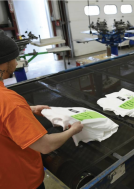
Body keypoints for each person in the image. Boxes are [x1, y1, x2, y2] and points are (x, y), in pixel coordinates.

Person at [0, 30, 84, 189]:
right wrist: (73, 130)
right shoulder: (9, 101)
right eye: (14, 58)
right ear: (3, 63)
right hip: (21, 181)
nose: (17, 64)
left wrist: (28, 109)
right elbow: (45, 146)